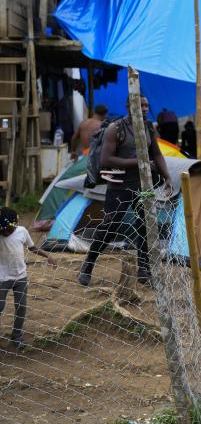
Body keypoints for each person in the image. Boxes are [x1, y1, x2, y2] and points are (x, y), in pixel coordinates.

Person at [78, 95, 172, 286]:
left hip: (143, 186)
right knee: (109, 227)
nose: (145, 108)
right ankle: (87, 266)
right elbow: (106, 159)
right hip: (119, 186)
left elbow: (157, 154)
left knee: (145, 226)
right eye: (140, 104)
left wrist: (168, 177)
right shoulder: (116, 129)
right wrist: (139, 162)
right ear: (129, 106)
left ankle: (144, 270)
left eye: (147, 104)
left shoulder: (149, 127)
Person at [0, 207, 57, 348]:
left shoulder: (22, 231)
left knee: (21, 307)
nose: (6, 233)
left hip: (20, 277)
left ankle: (16, 335)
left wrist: (47, 256)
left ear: (15, 224)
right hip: (2, 279)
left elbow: (32, 248)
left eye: (9, 230)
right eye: (3, 231)